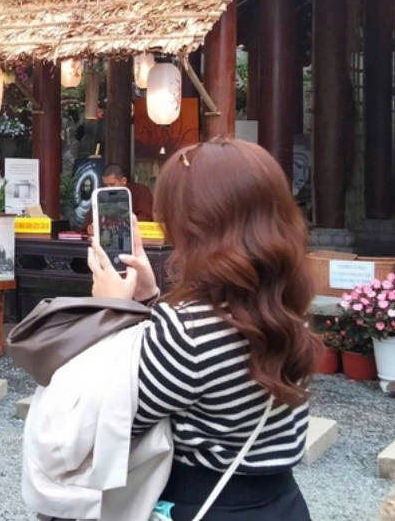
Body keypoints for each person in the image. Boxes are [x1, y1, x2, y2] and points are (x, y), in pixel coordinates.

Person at [88, 138, 315, 521]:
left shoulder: (187, 331)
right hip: (281, 504)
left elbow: (111, 420)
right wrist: (149, 300)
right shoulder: (287, 307)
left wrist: (110, 311)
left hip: (204, 504)